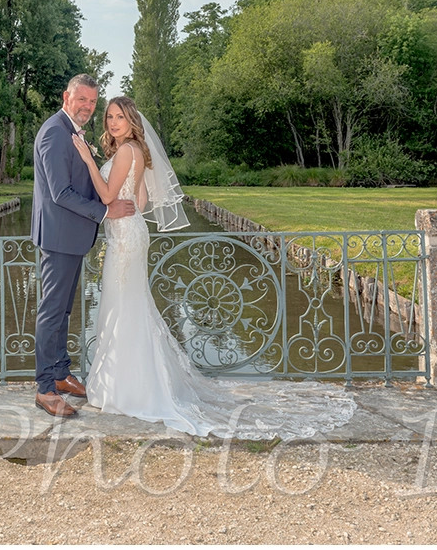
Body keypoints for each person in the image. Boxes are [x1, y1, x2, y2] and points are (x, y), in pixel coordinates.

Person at [70, 95, 357, 440]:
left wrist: (87, 159)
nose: (113, 122)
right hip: (133, 233)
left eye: (120, 117)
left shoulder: (126, 151)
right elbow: (142, 201)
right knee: (132, 306)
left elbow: (104, 196)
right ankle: (135, 383)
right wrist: (124, 198)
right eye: (110, 117)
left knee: (123, 307)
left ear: (132, 121)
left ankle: (127, 389)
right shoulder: (135, 151)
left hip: (124, 240)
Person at [30, 74, 136, 419]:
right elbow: (60, 193)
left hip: (73, 238)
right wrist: (105, 211)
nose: (88, 107)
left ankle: (61, 373)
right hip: (59, 238)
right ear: (66, 97)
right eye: (82, 100)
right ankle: (45, 388)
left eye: (93, 102)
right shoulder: (53, 133)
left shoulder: (72, 132)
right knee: (51, 311)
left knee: (63, 311)